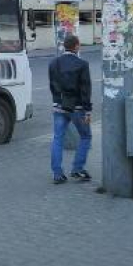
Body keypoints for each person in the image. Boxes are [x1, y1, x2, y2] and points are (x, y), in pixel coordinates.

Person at [49, 34, 93, 184]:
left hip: (59, 106)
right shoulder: (82, 64)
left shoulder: (53, 63)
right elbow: (85, 89)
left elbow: (52, 85)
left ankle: (57, 174)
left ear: (64, 46)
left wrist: (57, 101)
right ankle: (77, 169)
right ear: (76, 46)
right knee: (86, 136)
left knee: (58, 139)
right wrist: (87, 110)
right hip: (77, 108)